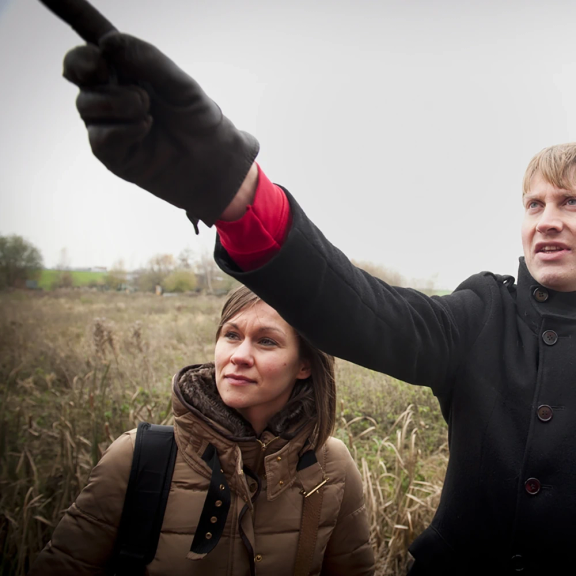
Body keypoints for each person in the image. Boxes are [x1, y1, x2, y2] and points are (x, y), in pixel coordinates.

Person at [54, 21, 576, 576]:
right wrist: (239, 198)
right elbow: (363, 312)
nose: (547, 221)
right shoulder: (483, 315)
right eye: (533, 204)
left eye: (569, 203)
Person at [28, 285, 375, 575]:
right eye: (231, 335)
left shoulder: (331, 467)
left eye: (266, 341)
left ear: (304, 365)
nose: (239, 355)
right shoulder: (136, 457)